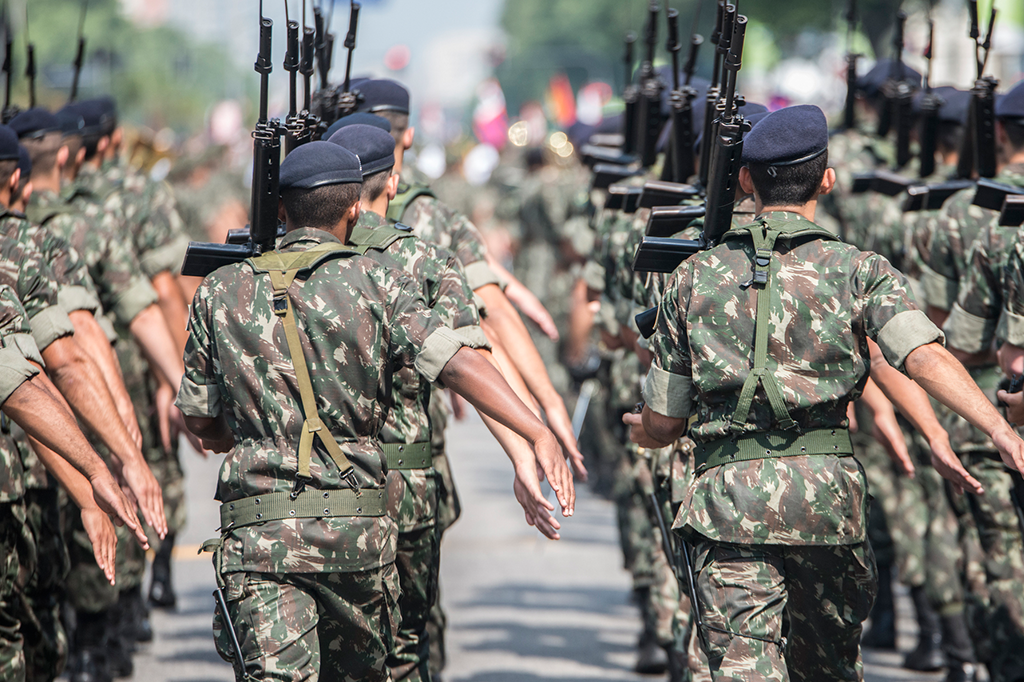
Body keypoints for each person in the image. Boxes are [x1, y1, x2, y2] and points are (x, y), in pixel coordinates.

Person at [623, 104, 1024, 681]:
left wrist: (647, 432)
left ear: (743, 180)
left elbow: (665, 418)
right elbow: (922, 355)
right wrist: (997, 428)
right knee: (828, 668)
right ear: (827, 179)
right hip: (827, 507)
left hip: (727, 506)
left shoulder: (691, 277)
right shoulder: (859, 270)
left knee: (743, 668)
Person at [177, 141, 574, 682]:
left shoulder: (220, 290)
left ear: (279, 211)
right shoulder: (379, 281)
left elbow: (198, 417)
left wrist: (240, 436)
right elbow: (456, 362)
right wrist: (537, 429)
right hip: (357, 537)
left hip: (261, 538)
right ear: (355, 210)